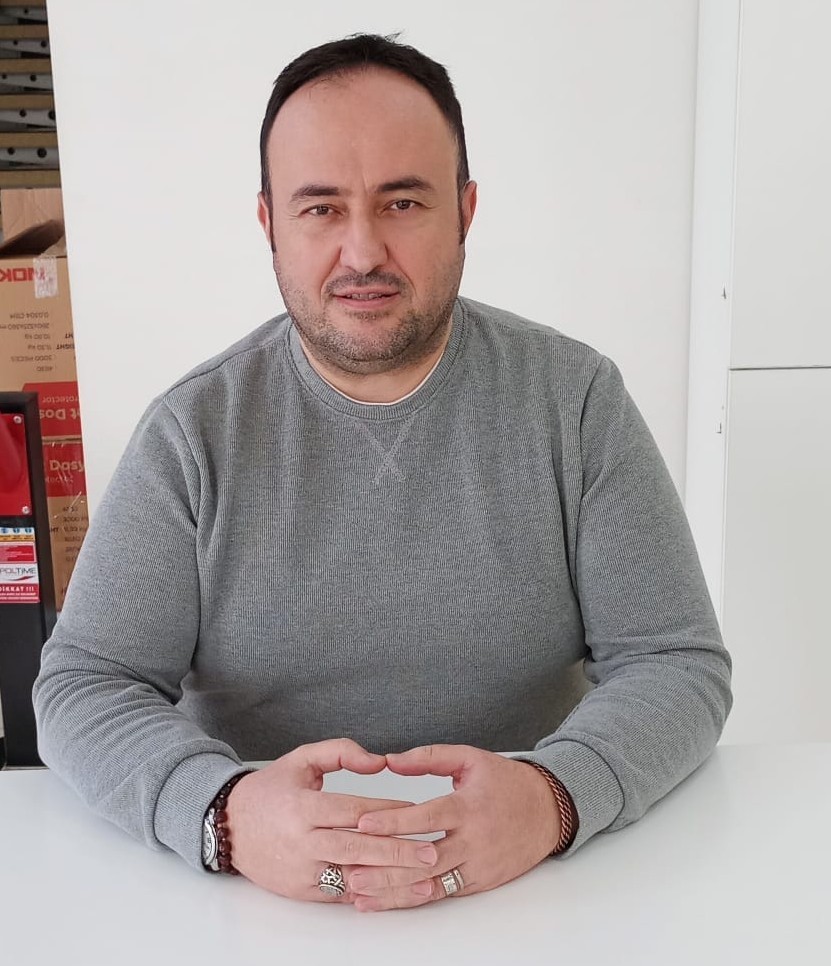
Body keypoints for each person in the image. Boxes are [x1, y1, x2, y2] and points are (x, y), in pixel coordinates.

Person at [33, 33, 731, 913]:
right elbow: (84, 686)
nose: (362, 252)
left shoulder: (575, 400)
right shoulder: (192, 431)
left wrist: (555, 798)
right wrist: (222, 814)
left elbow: (675, 661)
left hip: (538, 891)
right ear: (269, 223)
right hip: (261, 907)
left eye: (402, 202)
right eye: (321, 208)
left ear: (464, 210)